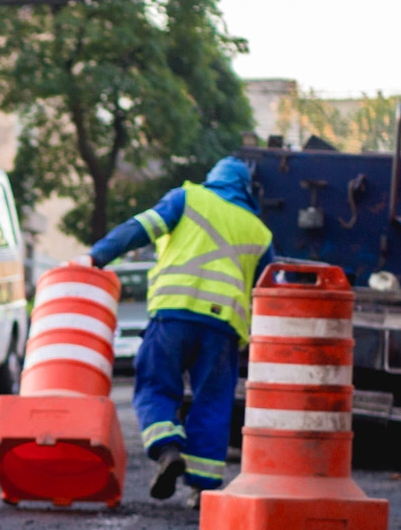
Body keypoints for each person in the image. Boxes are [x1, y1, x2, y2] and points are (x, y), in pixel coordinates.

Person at [88, 155, 272, 502]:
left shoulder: (187, 198)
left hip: (173, 316)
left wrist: (96, 256)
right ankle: (201, 488)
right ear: (246, 189)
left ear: (212, 179)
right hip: (223, 328)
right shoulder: (259, 232)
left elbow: (137, 229)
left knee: (156, 386)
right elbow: (270, 286)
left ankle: (167, 448)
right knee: (213, 402)